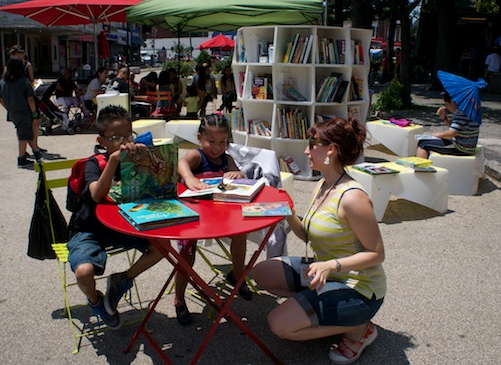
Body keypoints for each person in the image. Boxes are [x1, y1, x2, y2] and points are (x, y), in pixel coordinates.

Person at [252, 117, 386, 364]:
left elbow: (377, 254)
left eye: (312, 144)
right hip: (325, 273)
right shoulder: (324, 184)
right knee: (262, 273)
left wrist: (331, 265)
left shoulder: (352, 197)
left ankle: (358, 329)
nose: (306, 150)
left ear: (331, 149)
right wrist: (289, 214)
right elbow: (307, 234)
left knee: (279, 324)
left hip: (359, 289)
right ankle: (318, 310)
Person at [67, 105, 163, 329]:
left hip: (122, 226)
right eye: (116, 137)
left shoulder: (137, 158)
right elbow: (98, 195)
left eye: (128, 135)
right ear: (102, 141)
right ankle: (96, 301)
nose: (124, 142)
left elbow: (156, 188)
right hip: (89, 228)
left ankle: (122, 280)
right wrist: (113, 162)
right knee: (83, 271)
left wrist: (151, 161)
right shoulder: (95, 163)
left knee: (163, 247)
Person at [174, 113, 249, 325]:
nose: (217, 147)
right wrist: (189, 178)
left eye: (223, 142)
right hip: (193, 217)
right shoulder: (198, 156)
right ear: (200, 138)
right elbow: (182, 163)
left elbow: (240, 175)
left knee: (241, 233)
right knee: (186, 254)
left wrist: (237, 175)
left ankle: (236, 275)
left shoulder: (227, 159)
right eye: (211, 141)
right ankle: (179, 297)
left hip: (219, 215)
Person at [0, 57, 43, 168]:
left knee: (23, 132)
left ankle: (35, 153)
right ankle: (23, 158)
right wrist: (34, 113)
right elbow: (30, 99)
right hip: (24, 111)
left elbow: (1, 99)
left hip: (13, 113)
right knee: (24, 135)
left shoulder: (3, 82)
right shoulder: (24, 82)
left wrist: (10, 108)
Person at [416, 91, 480, 158]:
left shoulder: (460, 113)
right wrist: (444, 118)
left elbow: (451, 133)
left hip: (461, 148)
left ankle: (421, 167)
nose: (447, 108)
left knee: (423, 144)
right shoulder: (470, 110)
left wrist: (438, 135)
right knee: (431, 141)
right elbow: (459, 129)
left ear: (452, 102)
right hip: (469, 146)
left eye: (446, 105)